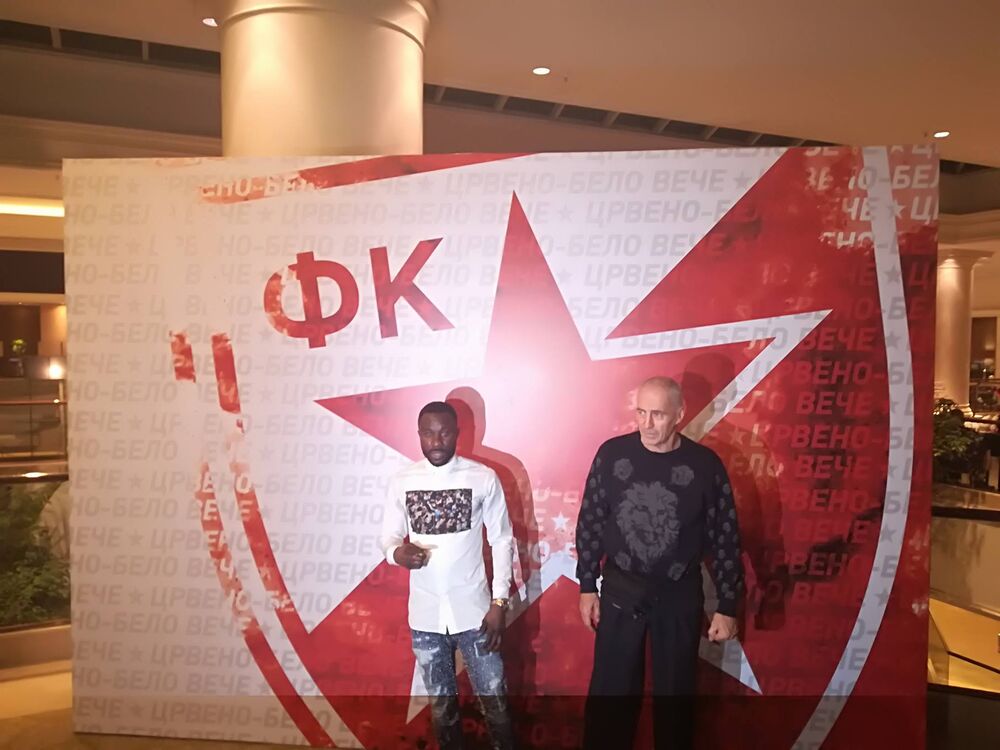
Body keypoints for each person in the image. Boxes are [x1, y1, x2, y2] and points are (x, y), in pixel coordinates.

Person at [575, 376, 744, 750]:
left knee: (676, 698)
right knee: (610, 696)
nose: (647, 424)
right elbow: (590, 521)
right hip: (621, 588)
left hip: (679, 594)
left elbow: (726, 536)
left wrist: (728, 605)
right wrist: (587, 584)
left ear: (679, 414)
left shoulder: (705, 465)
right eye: (640, 413)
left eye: (658, 415)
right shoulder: (612, 455)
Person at [381, 400, 516, 750]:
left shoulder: (482, 478)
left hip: (476, 613)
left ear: (458, 433)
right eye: (428, 433)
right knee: (442, 709)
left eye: (444, 433)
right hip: (425, 615)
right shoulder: (403, 481)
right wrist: (397, 554)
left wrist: (500, 602)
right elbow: (389, 538)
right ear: (419, 435)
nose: (436, 441)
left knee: (496, 703)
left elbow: (502, 539)